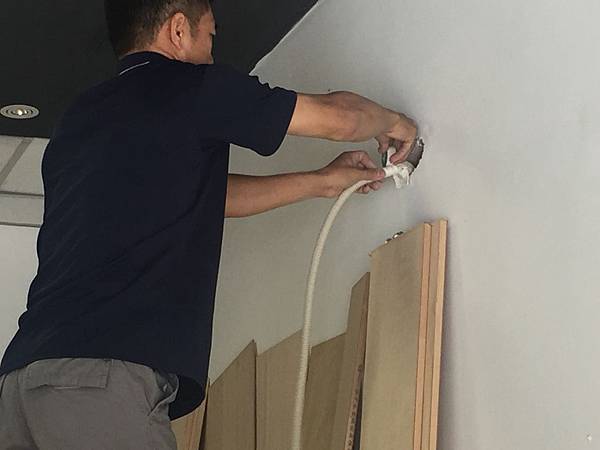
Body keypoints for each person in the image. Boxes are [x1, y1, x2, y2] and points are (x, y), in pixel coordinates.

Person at [0, 0, 417, 448]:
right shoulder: (191, 86)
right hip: (99, 380)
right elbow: (339, 118)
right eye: (211, 37)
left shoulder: (77, 121)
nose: (213, 54)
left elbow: (198, 197)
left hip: (19, 386)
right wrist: (396, 123)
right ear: (179, 30)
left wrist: (320, 182)